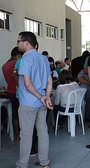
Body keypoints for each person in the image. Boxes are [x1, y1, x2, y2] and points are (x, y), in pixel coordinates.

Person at [16, 31, 53, 168]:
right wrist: (46, 97)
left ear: (26, 43)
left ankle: (22, 164)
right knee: (42, 133)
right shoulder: (43, 58)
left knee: (26, 134)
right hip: (42, 103)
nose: (18, 43)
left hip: (29, 102)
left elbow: (27, 84)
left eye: (19, 41)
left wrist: (41, 97)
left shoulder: (26, 59)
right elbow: (50, 82)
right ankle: (44, 162)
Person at [2, 47, 22, 143]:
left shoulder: (4, 65)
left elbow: (7, 80)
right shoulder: (16, 63)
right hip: (18, 91)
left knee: (14, 114)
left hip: (10, 91)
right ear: (18, 55)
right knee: (21, 114)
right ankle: (21, 135)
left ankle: (16, 136)